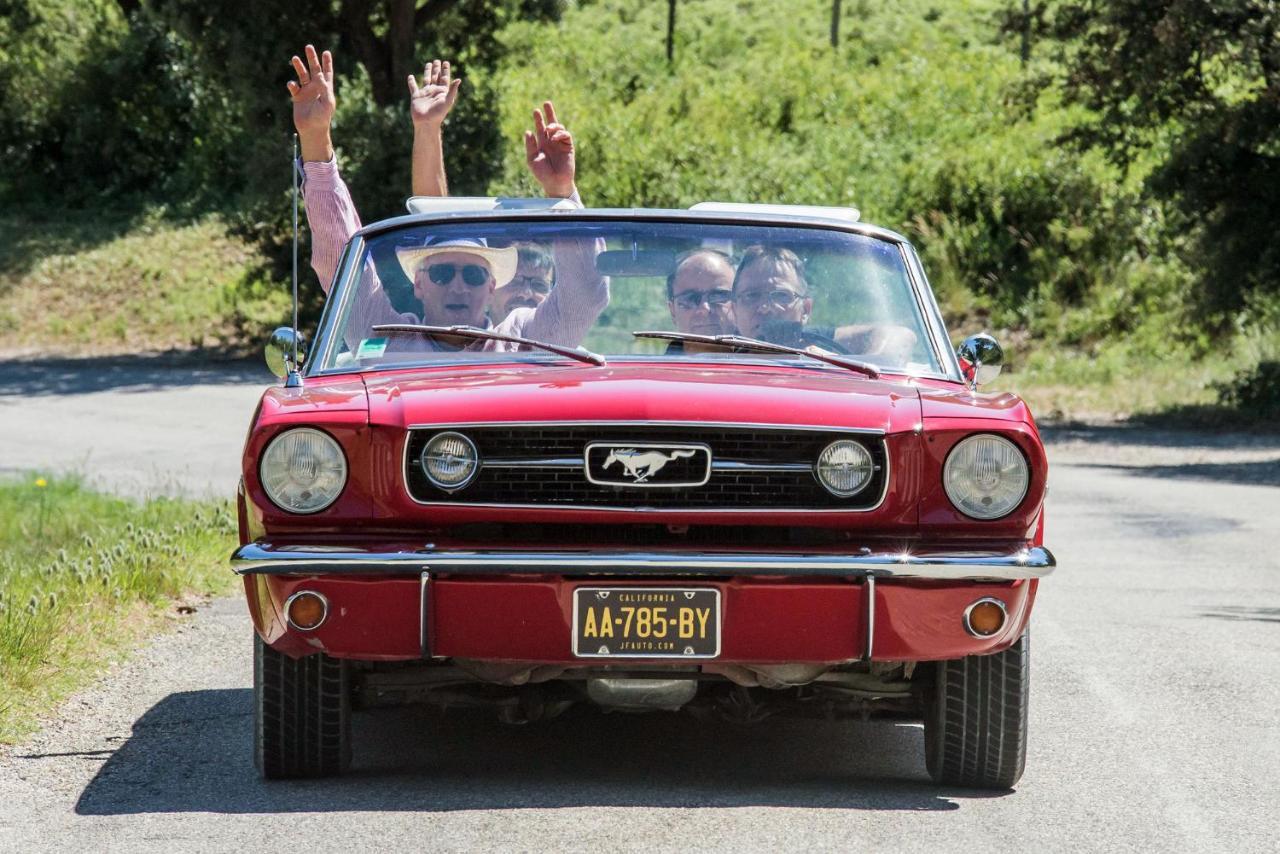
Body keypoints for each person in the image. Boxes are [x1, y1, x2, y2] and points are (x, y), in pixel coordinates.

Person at [286, 45, 606, 353]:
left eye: (473, 275)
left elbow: (584, 296)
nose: (458, 287)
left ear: (491, 286)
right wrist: (316, 136)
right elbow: (341, 267)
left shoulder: (526, 339)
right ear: (419, 285)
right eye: (441, 274)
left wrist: (562, 193)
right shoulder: (387, 341)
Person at [730, 245, 916, 361]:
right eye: (751, 296)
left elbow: (899, 335)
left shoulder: (814, 343)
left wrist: (846, 365)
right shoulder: (711, 356)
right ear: (734, 309)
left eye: (781, 296)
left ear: (806, 309)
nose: (765, 308)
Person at [665, 248, 738, 336]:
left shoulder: (758, 349)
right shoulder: (645, 350)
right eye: (690, 299)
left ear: (738, 304)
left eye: (718, 296)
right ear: (673, 312)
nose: (705, 309)